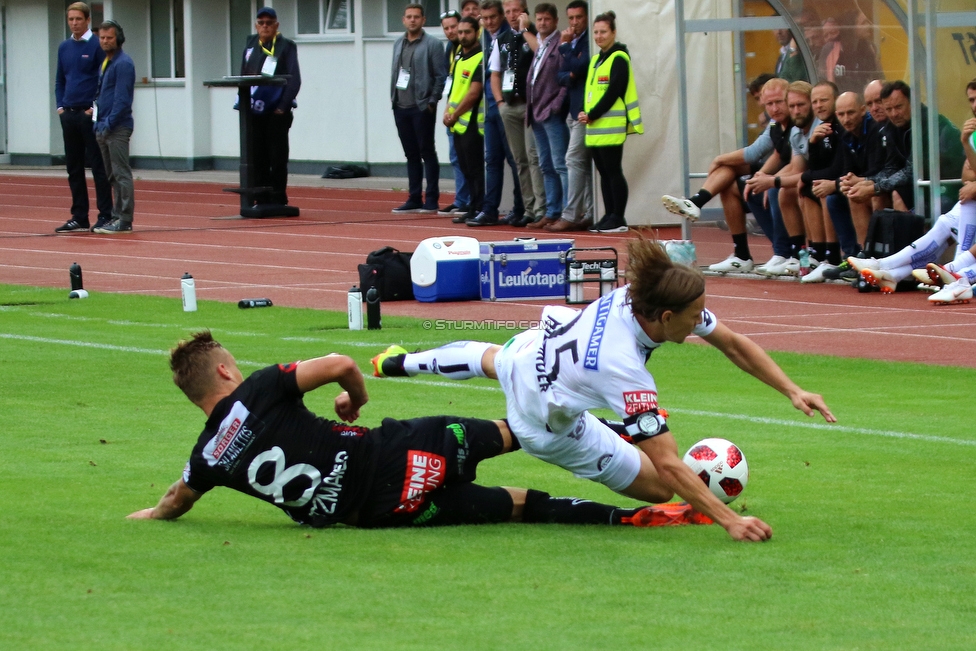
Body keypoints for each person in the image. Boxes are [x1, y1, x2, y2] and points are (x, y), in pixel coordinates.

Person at [374, 238, 837, 541]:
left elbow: (732, 344)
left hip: (530, 352)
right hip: (546, 426)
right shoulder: (624, 370)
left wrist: (792, 390)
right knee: (658, 488)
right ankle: (613, 427)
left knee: (494, 359)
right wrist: (730, 520)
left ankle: (397, 362)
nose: (702, 321)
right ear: (667, 319)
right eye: (695, 316)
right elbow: (672, 466)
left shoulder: (640, 297)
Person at [127, 331, 710, 530]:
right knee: (520, 431)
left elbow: (178, 499)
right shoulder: (255, 389)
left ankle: (634, 518)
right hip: (398, 452)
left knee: (516, 507)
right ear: (226, 370)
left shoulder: (205, 456)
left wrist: (152, 515)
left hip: (379, 512)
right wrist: (353, 399)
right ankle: (627, 435)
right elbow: (339, 364)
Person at [850, 80, 976, 296]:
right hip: (954, 193)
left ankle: (953, 273)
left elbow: (915, 170)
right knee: (952, 215)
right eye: (972, 100)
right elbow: (968, 174)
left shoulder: (928, 124)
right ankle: (894, 270)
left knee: (959, 207)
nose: (893, 113)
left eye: (898, 107)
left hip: (945, 189)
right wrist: (868, 183)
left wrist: (874, 186)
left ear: (912, 103)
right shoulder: (890, 128)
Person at [664, 78, 792, 272]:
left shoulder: (797, 123)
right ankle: (739, 252)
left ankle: (785, 253)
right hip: (777, 173)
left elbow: (763, 155)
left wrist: (719, 159)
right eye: (769, 104)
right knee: (730, 182)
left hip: (795, 179)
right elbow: (761, 152)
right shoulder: (775, 126)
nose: (774, 109)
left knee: (761, 185)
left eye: (779, 102)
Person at [579, 11, 643, 233]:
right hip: (595, 127)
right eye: (596, 32)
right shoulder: (597, 59)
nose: (598, 36)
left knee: (613, 171)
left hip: (610, 125)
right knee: (604, 173)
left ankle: (618, 217)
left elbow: (614, 91)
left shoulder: (619, 58)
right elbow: (591, 91)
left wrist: (593, 113)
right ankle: (608, 214)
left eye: (603, 31)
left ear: (613, 32)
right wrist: (584, 112)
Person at [54, 2, 113, 234]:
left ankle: (105, 214)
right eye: (71, 20)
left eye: (78, 19)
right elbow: (60, 79)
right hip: (68, 114)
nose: (74, 23)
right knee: (74, 168)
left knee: (98, 167)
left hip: (89, 115)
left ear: (88, 20)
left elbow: (104, 79)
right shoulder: (64, 47)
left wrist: (94, 107)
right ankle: (79, 216)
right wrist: (60, 106)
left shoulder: (97, 46)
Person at [486, 0, 545, 228]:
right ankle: (529, 208)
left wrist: (526, 29)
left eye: (515, 11)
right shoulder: (500, 40)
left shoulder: (534, 34)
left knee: (534, 158)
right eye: (508, 12)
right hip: (509, 105)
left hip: (530, 105)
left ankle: (541, 207)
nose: (511, 15)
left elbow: (539, 52)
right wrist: (500, 102)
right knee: (519, 160)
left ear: (524, 12)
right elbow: (495, 74)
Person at [467, 0, 524, 227]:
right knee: (492, 160)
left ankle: (520, 208)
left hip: (504, 105)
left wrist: (500, 102)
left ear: (501, 16)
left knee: (514, 159)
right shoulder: (485, 38)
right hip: (491, 107)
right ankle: (490, 209)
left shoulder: (508, 36)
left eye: (492, 17)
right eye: (485, 18)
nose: (489, 22)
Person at [241, 7, 301, 209]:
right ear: (256, 25)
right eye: (261, 22)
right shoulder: (250, 43)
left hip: (276, 111)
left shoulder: (286, 46)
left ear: (277, 25)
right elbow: (243, 74)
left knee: (277, 156)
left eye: (269, 22)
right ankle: (261, 195)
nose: (265, 26)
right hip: (254, 110)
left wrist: (282, 107)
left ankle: (277, 197)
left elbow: (294, 79)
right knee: (257, 155)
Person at [390, 4, 447, 214]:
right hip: (400, 105)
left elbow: (440, 76)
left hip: (422, 106)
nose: (412, 20)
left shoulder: (432, 44)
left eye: (416, 17)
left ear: (423, 20)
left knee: (427, 152)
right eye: (409, 17)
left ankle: (431, 199)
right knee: (410, 154)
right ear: (403, 20)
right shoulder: (398, 43)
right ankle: (414, 197)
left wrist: (432, 101)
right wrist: (393, 100)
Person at [525, 3, 569, 231]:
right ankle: (552, 212)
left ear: (555, 20)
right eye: (539, 19)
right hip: (536, 112)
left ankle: (567, 211)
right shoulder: (540, 45)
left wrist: (556, 105)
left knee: (560, 164)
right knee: (546, 165)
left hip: (550, 112)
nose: (542, 23)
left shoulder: (559, 41)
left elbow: (564, 78)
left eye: (546, 20)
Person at [550, 0, 592, 232]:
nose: (574, 23)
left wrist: (566, 48)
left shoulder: (584, 41)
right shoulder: (573, 41)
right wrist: (571, 72)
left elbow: (581, 65)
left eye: (579, 18)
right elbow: (562, 75)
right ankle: (588, 210)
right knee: (581, 164)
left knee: (573, 160)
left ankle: (572, 214)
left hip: (585, 110)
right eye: (572, 18)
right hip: (573, 108)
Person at [91, 20, 135, 234]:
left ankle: (124, 219)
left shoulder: (123, 63)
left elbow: (122, 100)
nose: (105, 41)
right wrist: (98, 123)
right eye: (102, 37)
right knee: (111, 175)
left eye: (109, 37)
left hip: (117, 128)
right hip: (103, 126)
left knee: (121, 173)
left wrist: (108, 123)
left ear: (118, 38)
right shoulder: (106, 62)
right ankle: (116, 216)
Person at [445, 17, 486, 224]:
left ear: (477, 32)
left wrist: (454, 114)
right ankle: (472, 205)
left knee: (476, 168)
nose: (462, 36)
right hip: (458, 123)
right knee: (465, 168)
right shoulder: (459, 58)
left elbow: (473, 93)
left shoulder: (480, 58)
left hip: (471, 123)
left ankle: (480, 206)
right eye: (460, 32)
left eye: (467, 32)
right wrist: (447, 111)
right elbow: (453, 90)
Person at [437, 11, 470, 217]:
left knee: (468, 159)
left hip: (468, 114)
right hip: (453, 111)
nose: (451, 32)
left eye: (453, 27)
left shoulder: (471, 50)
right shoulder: (450, 48)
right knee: (455, 158)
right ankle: (460, 199)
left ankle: (469, 200)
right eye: (446, 28)